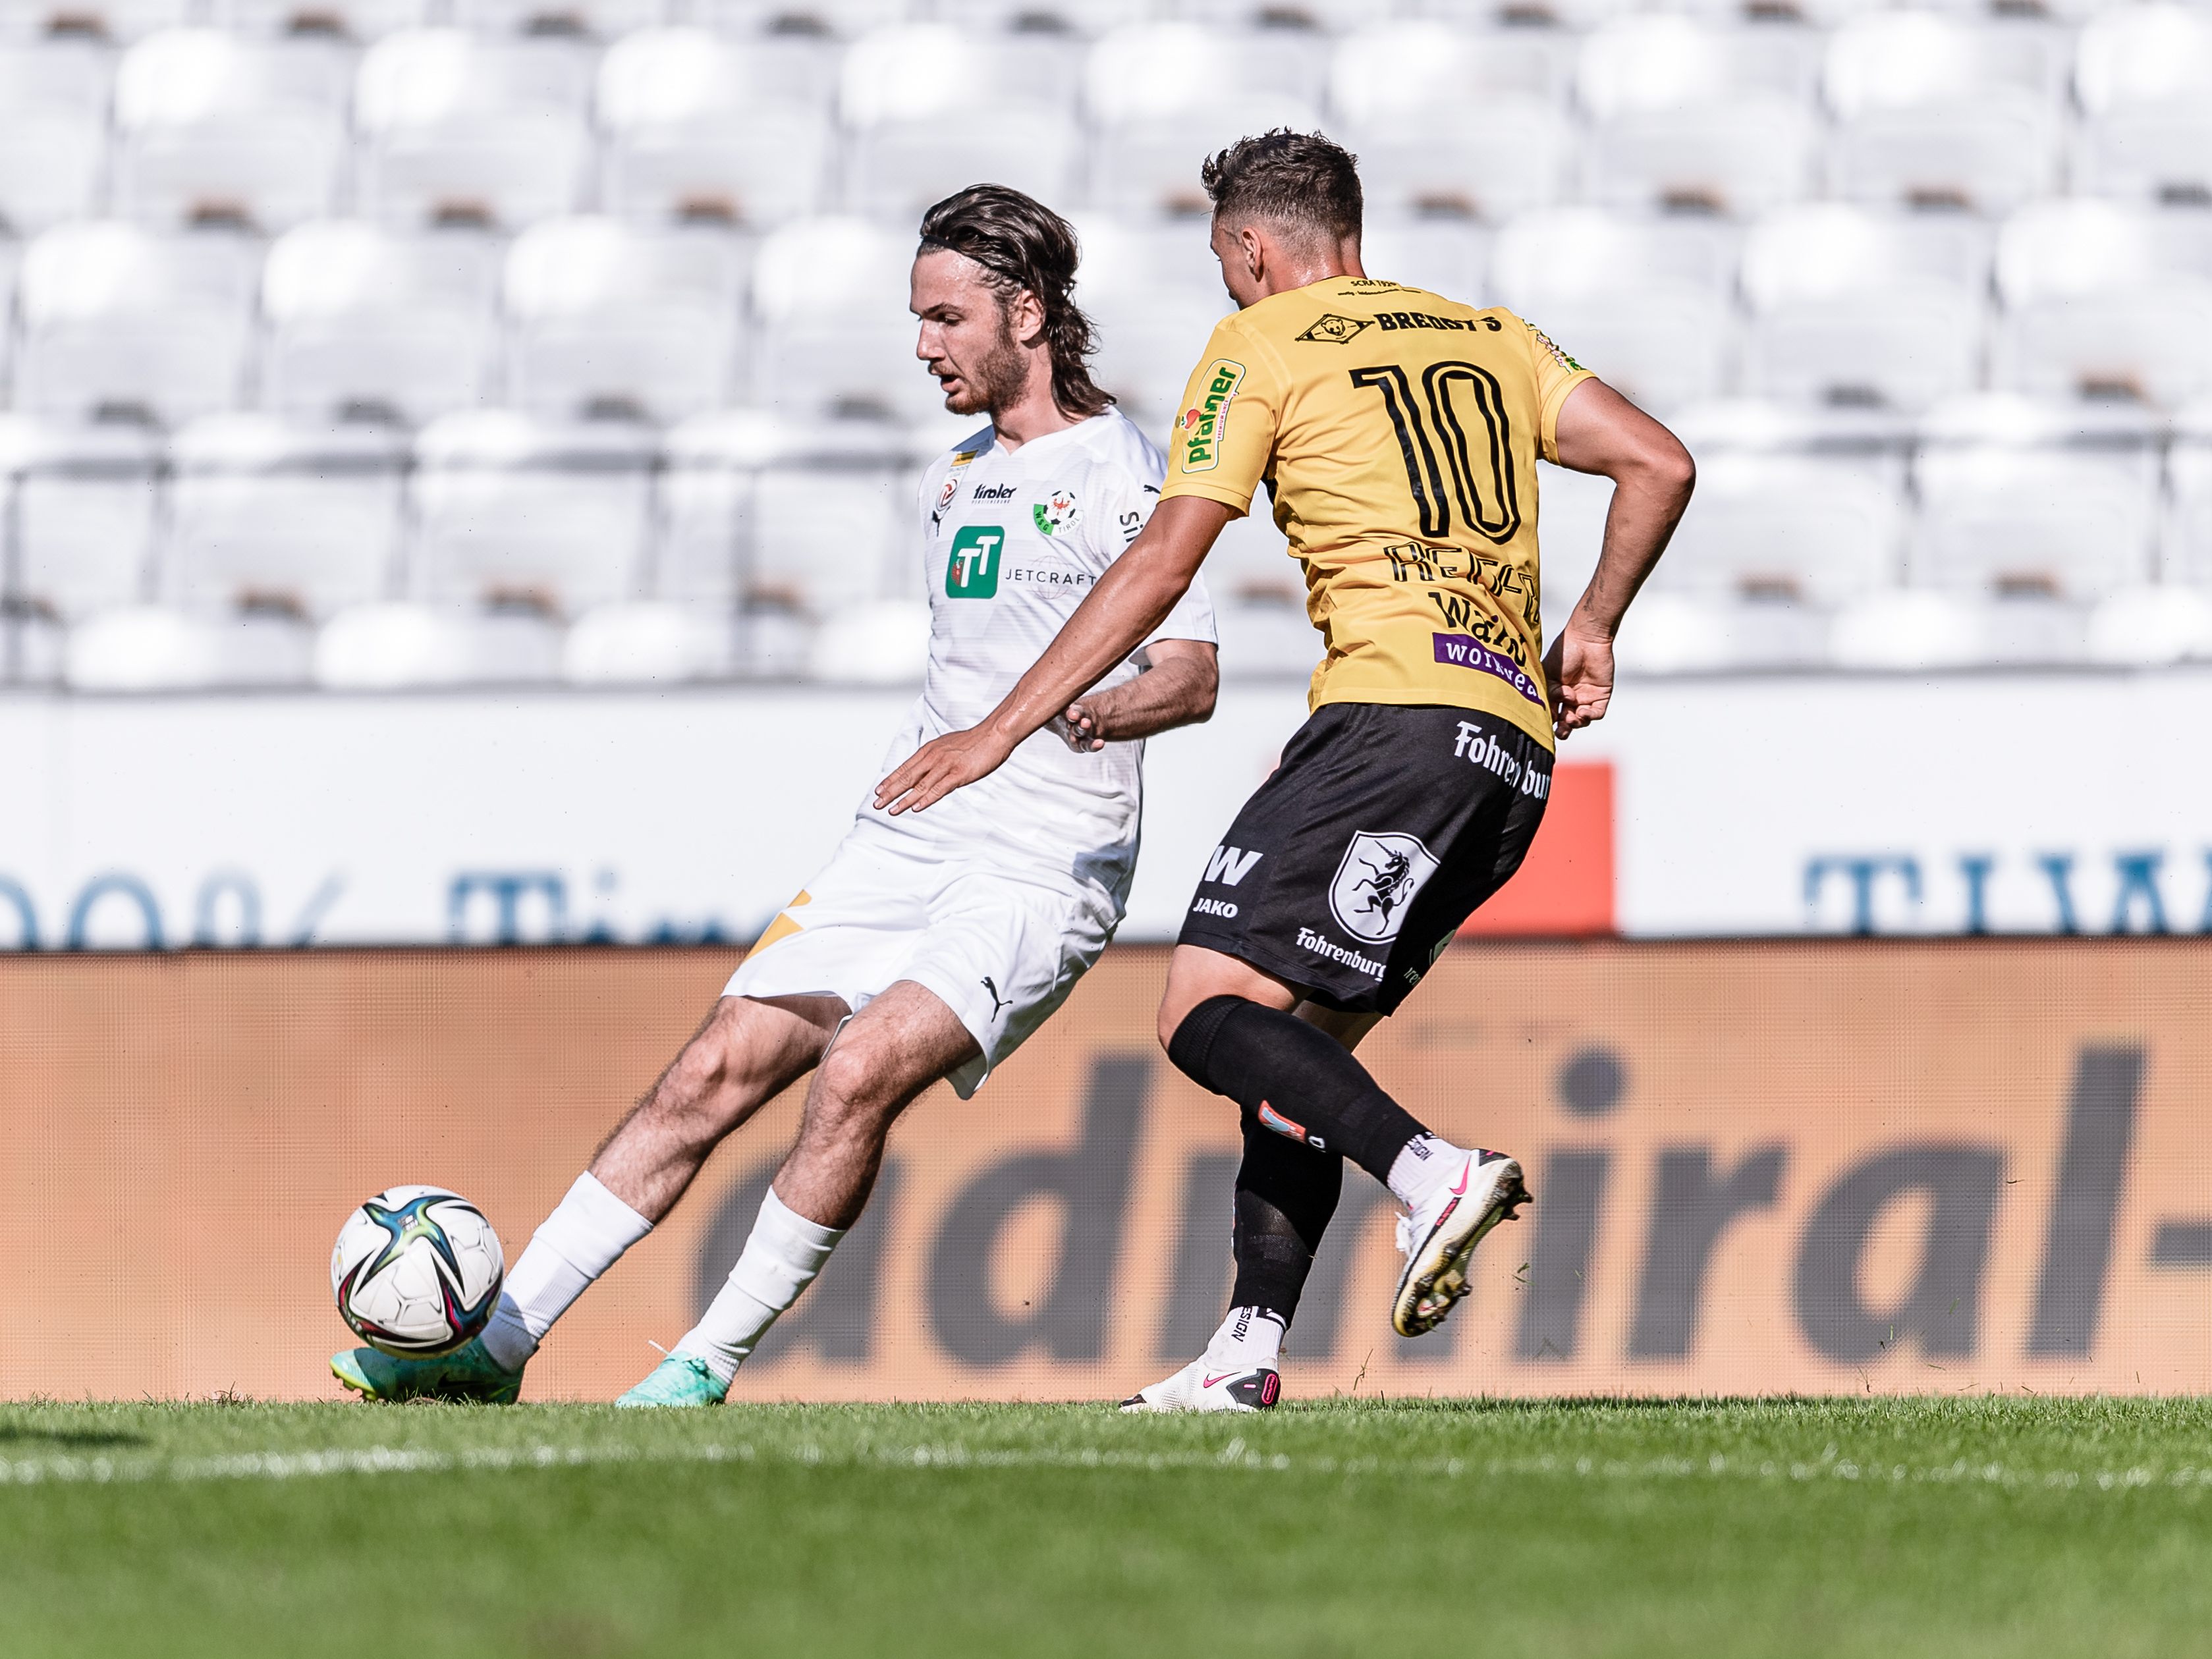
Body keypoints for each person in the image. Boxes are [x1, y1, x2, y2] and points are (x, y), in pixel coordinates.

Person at [331, 183, 1219, 1407]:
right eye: (916, 319)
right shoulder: (953, 477)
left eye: (945, 318)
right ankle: (495, 1351)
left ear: (1025, 313)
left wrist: (1082, 712)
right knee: (712, 1069)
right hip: (905, 838)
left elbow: (1191, 677)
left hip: (1040, 864)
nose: (922, 347)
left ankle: (702, 1366)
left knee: (858, 1071)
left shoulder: (1128, 473)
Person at [875, 132, 1696, 1413]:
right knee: (1296, 1053)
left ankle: (1430, 1173)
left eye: (1223, 266)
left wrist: (994, 730)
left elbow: (1156, 564)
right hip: (1509, 753)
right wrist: (1589, 624)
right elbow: (1658, 460)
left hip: (1387, 718)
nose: (1226, 290)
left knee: (1199, 1009)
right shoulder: (1493, 336)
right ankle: (1246, 1352)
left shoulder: (1260, 346)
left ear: (1253, 250)